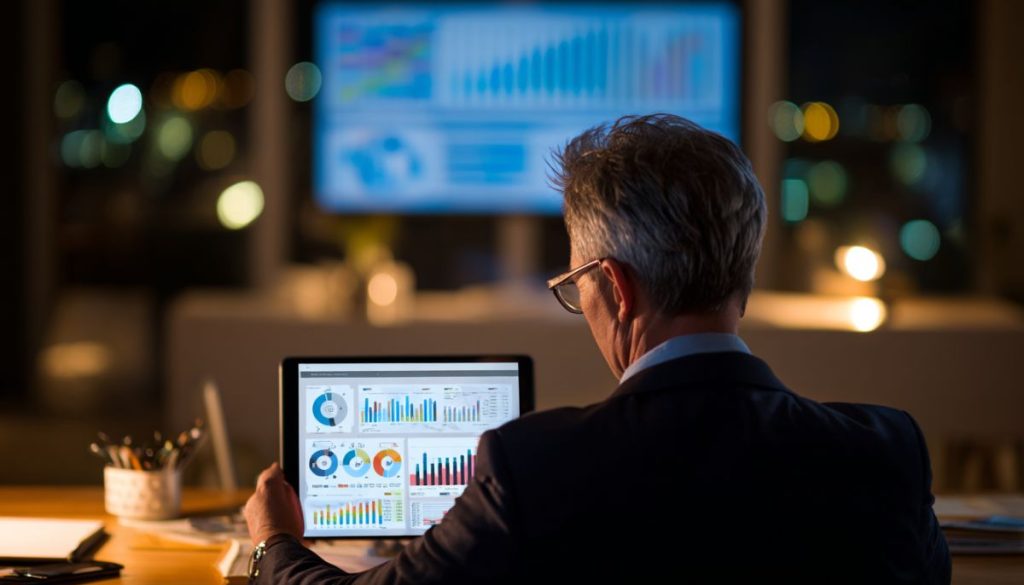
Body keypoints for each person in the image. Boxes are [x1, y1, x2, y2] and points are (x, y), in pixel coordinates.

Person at [244, 114, 950, 583]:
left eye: (576, 283)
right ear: (746, 274)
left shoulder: (534, 468)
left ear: (614, 286)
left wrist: (275, 541)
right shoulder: (886, 452)